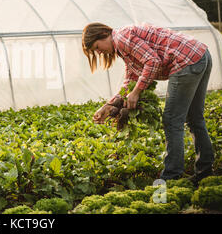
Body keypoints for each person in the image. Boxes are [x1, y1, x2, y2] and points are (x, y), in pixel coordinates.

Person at [82, 22, 214, 185]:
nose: (99, 52)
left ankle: (171, 177)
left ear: (103, 34)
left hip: (185, 62)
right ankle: (205, 172)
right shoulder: (123, 42)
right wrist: (109, 105)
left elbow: (153, 62)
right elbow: (131, 78)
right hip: (200, 54)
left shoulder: (122, 38)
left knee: (172, 121)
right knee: (195, 118)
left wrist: (136, 92)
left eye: (96, 47)